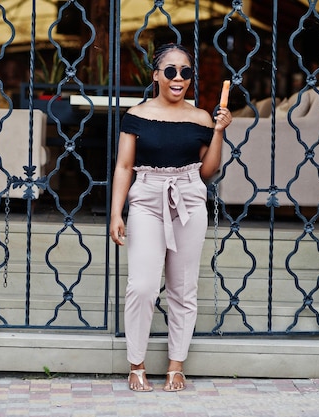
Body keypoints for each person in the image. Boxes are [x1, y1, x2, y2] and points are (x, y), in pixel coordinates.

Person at [110, 43, 232, 392]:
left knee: (183, 288)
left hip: (189, 197)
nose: (179, 78)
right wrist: (117, 212)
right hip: (147, 197)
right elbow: (123, 166)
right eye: (171, 71)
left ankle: (176, 365)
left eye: (186, 72)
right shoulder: (137, 114)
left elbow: (209, 170)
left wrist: (219, 131)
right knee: (143, 286)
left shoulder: (201, 118)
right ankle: (137, 364)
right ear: (156, 75)